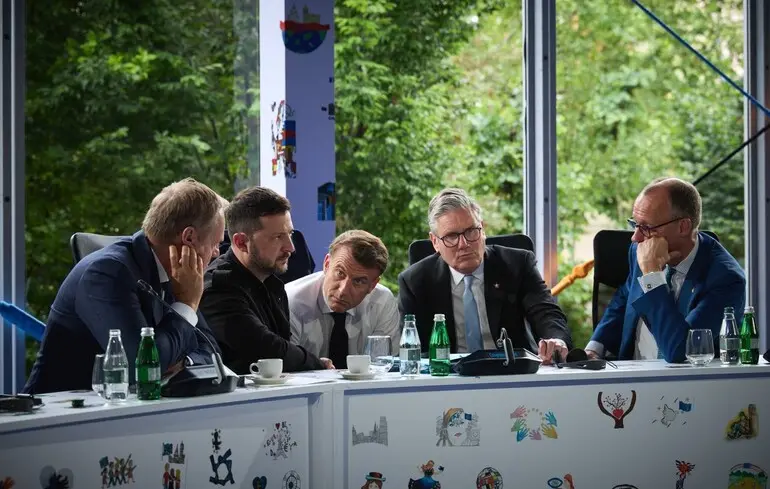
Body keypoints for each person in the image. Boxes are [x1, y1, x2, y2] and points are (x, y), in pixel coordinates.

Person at [24, 178, 225, 394]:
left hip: (125, 406)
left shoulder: (178, 274)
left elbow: (212, 352)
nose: (217, 253)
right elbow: (141, 368)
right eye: (215, 243)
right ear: (189, 237)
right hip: (62, 409)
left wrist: (184, 362)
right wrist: (186, 304)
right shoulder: (107, 272)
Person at [398, 188, 571, 363]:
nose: (463, 244)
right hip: (448, 374)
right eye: (451, 236)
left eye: (471, 231)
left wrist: (557, 341)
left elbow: (546, 313)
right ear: (435, 242)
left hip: (511, 370)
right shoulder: (415, 281)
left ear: (483, 229)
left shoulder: (517, 264)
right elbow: (413, 350)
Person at [587, 177, 745, 362]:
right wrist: (595, 348)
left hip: (684, 378)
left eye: (646, 227)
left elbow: (681, 351)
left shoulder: (726, 279)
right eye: (635, 224)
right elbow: (625, 298)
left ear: (683, 227)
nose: (635, 238)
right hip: (630, 372)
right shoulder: (640, 249)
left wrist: (652, 275)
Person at [200, 186, 332, 374]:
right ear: (241, 242)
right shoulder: (218, 287)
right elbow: (267, 350)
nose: (291, 247)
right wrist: (315, 362)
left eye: (290, 234)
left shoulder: (271, 281)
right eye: (277, 237)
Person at [286, 230, 400, 369]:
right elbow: (286, 369)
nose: (342, 291)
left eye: (358, 281)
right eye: (340, 273)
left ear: (373, 285)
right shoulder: (290, 300)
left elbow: (382, 368)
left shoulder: (382, 302)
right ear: (327, 264)